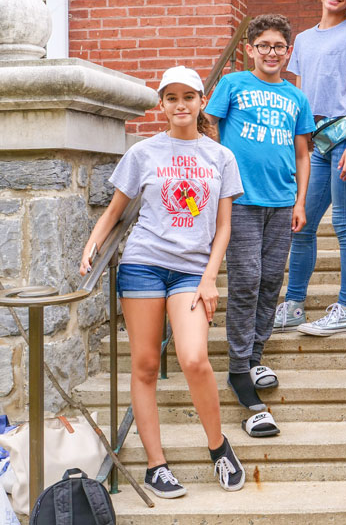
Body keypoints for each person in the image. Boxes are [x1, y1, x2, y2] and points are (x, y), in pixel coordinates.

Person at [79, 66, 245, 498]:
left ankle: (218, 447)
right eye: (171, 98)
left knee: (193, 358)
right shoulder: (144, 153)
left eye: (188, 96)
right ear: (162, 105)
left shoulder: (220, 157)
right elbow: (116, 209)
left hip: (192, 270)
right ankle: (157, 465)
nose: (180, 105)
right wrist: (93, 243)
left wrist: (211, 278)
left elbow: (224, 227)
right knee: (146, 365)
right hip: (143, 264)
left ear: (200, 101)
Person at [205, 14, 315, 436]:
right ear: (250, 49)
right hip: (242, 201)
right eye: (264, 45)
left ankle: (255, 356)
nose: (272, 53)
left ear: (288, 52)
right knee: (247, 279)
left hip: (283, 201)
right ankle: (238, 367)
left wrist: (301, 200)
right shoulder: (233, 86)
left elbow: (303, 153)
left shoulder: (295, 97)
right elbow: (210, 126)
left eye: (279, 47)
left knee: (271, 280)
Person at [273, 0, 346, 336]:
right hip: (315, 139)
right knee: (301, 226)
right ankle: (294, 305)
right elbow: (300, 95)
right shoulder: (301, 39)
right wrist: (296, 146)